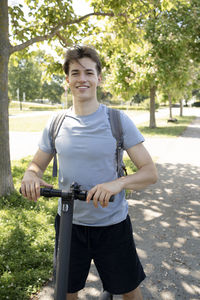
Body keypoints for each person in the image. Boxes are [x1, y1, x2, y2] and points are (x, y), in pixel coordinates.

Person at [21, 45, 158, 300]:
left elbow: (150, 172)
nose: (81, 79)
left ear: (98, 78)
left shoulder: (117, 120)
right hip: (69, 225)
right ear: (67, 80)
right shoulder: (56, 123)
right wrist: (30, 175)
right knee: (66, 290)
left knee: (128, 289)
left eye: (88, 72)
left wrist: (118, 184)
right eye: (75, 73)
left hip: (112, 225)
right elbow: (36, 166)